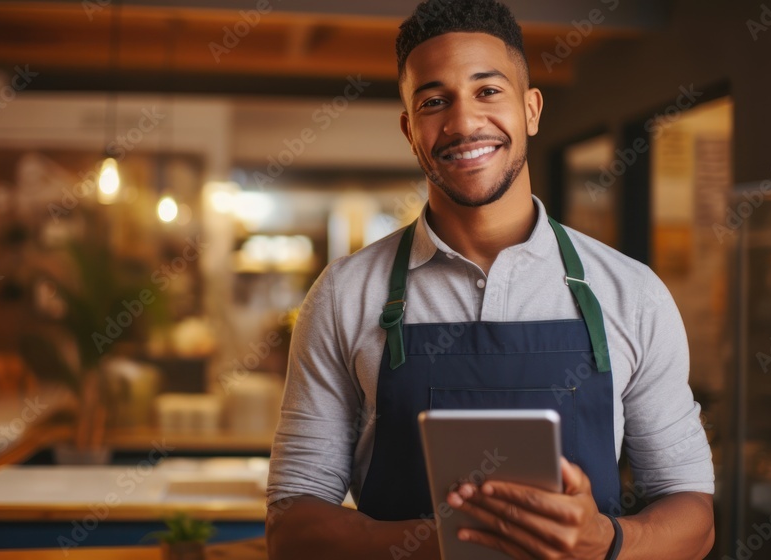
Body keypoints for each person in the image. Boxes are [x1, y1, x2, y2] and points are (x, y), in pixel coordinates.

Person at [265, 1, 715, 558]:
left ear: (531, 109)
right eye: (434, 101)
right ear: (410, 129)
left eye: (488, 91)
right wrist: (438, 546)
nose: (462, 123)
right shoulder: (343, 294)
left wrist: (606, 541)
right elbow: (291, 525)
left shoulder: (634, 293)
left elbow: (694, 519)